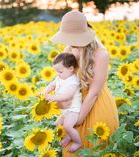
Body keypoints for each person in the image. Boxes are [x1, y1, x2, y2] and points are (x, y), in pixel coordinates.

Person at [50, 11, 119, 156]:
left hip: (97, 106)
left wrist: (76, 121)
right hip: (76, 103)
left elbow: (93, 93)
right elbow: (66, 80)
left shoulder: (101, 54)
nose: (70, 42)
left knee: (94, 149)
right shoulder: (69, 49)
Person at [40, 52, 82, 152]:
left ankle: (78, 142)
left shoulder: (73, 81)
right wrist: (44, 91)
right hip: (65, 109)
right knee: (57, 124)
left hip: (73, 109)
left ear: (71, 69)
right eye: (56, 72)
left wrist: (54, 97)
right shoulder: (60, 77)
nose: (58, 74)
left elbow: (68, 95)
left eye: (60, 72)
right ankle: (68, 136)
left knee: (68, 125)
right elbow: (52, 85)